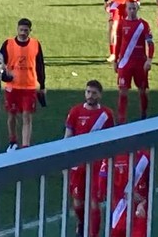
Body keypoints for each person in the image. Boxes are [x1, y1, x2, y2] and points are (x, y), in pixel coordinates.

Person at [65, 80, 115, 237]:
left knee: (94, 202)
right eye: (88, 92)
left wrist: (108, 164)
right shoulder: (75, 112)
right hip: (78, 164)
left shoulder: (107, 115)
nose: (90, 96)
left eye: (94, 93)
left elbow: (111, 140)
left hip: (97, 164)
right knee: (78, 202)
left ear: (100, 95)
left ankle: (93, 234)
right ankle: (81, 223)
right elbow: (68, 137)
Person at [0, 18, 46, 150]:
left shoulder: (35, 44)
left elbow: (40, 66)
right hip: (12, 87)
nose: (23, 33)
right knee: (12, 115)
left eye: (26, 30)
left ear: (30, 31)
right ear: (17, 29)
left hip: (29, 87)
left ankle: (25, 145)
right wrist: (4, 74)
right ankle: (12, 140)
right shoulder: (8, 44)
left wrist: (42, 85)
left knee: (27, 116)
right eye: (21, 30)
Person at [114, 0, 154, 123]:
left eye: (134, 8)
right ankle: (121, 120)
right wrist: (115, 60)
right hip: (125, 63)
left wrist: (149, 59)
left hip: (139, 63)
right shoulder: (121, 24)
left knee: (142, 89)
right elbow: (118, 43)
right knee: (123, 90)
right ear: (125, 9)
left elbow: (150, 43)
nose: (131, 11)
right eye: (129, 8)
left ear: (137, 9)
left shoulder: (143, 25)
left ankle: (143, 114)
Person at [98, 149, 151, 237]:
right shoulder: (144, 157)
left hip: (119, 213)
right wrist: (143, 202)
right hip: (133, 213)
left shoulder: (109, 157)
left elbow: (102, 188)